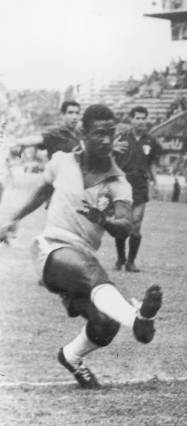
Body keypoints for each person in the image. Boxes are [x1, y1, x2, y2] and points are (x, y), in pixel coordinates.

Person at [0, 104, 162, 389]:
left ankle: (71, 357)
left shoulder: (118, 183)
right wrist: (14, 220)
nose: (106, 140)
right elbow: (43, 190)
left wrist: (106, 220)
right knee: (91, 273)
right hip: (51, 250)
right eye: (99, 134)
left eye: (111, 134)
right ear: (84, 134)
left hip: (82, 259)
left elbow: (125, 225)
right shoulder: (62, 161)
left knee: (105, 323)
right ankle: (138, 321)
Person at [112, 106, 161, 272]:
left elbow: (152, 164)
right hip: (122, 185)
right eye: (138, 118)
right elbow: (111, 159)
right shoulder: (121, 138)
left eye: (143, 118)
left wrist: (155, 182)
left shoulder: (151, 141)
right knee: (121, 224)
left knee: (136, 223)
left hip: (140, 185)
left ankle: (131, 262)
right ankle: (120, 258)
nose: (141, 121)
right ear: (131, 119)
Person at [13, 101, 82, 159]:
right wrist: (13, 142)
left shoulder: (81, 134)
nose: (74, 117)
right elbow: (36, 139)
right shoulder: (56, 134)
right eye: (70, 113)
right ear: (62, 115)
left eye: (77, 113)